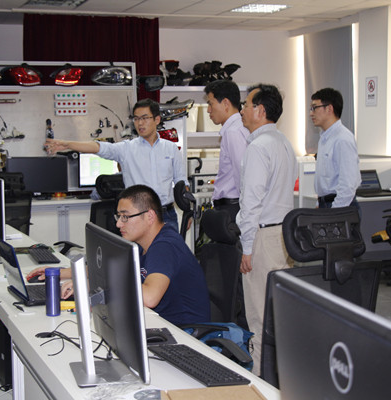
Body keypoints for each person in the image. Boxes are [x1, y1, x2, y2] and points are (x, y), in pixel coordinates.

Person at [27, 184, 210, 326]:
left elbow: (149, 298)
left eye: (125, 217)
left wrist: (96, 285)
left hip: (184, 333)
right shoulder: (141, 244)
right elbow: (107, 269)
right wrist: (61, 273)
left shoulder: (164, 246)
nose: (118, 224)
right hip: (155, 322)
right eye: (118, 217)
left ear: (149, 216)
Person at [44, 98, 187, 232]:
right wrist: (67, 144)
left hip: (166, 215)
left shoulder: (171, 149)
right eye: (136, 119)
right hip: (138, 217)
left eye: (144, 118)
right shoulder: (127, 148)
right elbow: (99, 147)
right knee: (137, 252)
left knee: (170, 250)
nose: (140, 123)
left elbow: (181, 182)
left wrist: (188, 211)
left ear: (157, 120)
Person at [237, 84, 298, 375]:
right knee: (280, 314)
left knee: (260, 316)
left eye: (246, 105)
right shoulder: (284, 143)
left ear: (260, 110)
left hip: (263, 237)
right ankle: (284, 378)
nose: (242, 110)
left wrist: (247, 248)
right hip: (284, 237)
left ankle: (260, 383)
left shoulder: (258, 147)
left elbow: (251, 203)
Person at [204, 80, 249, 222]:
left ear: (225, 103)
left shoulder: (233, 132)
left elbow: (242, 174)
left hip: (232, 208)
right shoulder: (239, 127)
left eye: (210, 104)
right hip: (233, 206)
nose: (208, 110)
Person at [310, 88, 361, 209]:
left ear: (329, 108)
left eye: (314, 108)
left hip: (339, 206)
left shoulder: (342, 139)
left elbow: (348, 185)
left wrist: (335, 212)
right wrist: (319, 203)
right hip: (326, 204)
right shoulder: (324, 138)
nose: (311, 113)